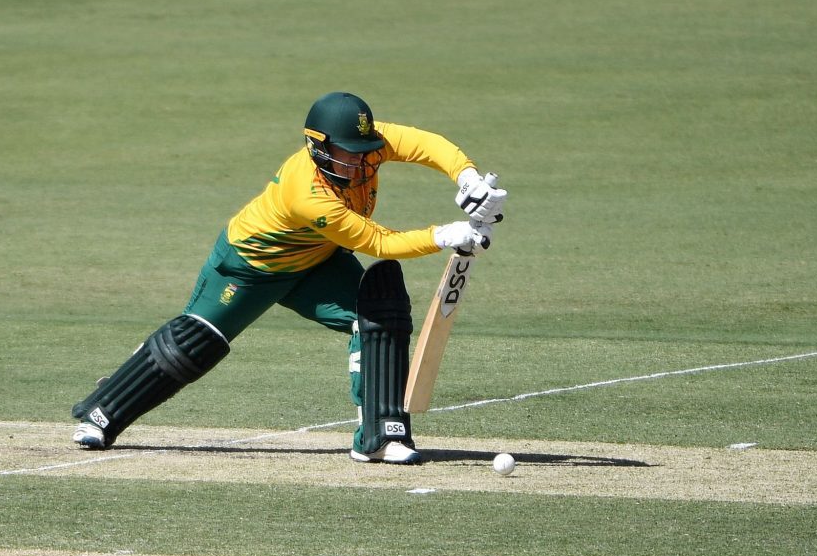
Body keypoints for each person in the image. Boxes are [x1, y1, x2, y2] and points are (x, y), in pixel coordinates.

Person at [71, 92, 506, 465]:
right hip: (250, 268)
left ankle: (381, 436)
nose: (361, 161)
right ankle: (103, 412)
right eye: (348, 153)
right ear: (318, 147)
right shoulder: (308, 194)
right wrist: (446, 235)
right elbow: (378, 241)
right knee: (193, 345)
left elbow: (428, 145)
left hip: (319, 262)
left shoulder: (365, 145)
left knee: (379, 313)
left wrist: (467, 176)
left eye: (366, 150)